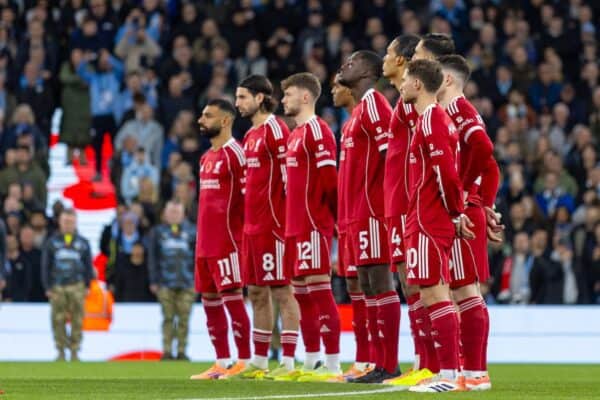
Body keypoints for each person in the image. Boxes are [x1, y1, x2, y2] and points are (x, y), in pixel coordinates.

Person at [399, 59, 469, 392]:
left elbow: (446, 174)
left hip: (429, 219)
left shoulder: (430, 121)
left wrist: (456, 213)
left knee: (434, 293)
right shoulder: (428, 120)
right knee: (434, 292)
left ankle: (449, 375)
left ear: (417, 84)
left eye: (405, 80)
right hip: (426, 217)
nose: (400, 85)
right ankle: (451, 372)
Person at [435, 54, 501, 391]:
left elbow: (483, 147)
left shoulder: (461, 110)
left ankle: (476, 373)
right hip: (458, 211)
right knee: (455, 290)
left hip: (461, 213)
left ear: (447, 80)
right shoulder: (446, 113)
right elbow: (492, 169)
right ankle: (466, 370)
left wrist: (463, 194)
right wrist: (485, 204)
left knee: (465, 290)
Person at [337, 50, 400, 383]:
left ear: (367, 71)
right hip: (358, 214)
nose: (344, 66)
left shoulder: (375, 104)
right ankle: (378, 362)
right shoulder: (358, 112)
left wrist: (387, 209)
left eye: (351, 62)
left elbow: (391, 156)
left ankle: (389, 364)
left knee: (379, 283)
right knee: (366, 286)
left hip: (374, 211)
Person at [380, 34, 439, 388]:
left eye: (390, 52)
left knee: (418, 283)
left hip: (409, 203)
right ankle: (423, 362)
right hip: (396, 204)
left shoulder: (415, 101)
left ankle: (430, 363)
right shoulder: (402, 101)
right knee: (409, 283)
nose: (385, 58)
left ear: (402, 61)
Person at [233, 75, 300, 379]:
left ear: (260, 98)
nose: (237, 104)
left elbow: (290, 179)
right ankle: (259, 361)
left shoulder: (276, 130)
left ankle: (287, 362)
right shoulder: (249, 136)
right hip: (252, 228)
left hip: (274, 226)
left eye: (243, 97)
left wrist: (286, 223)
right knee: (257, 293)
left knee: (283, 292)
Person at [280, 72, 341, 382]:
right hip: (294, 227)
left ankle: (332, 365)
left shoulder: (319, 132)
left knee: (319, 292)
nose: (283, 100)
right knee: (301, 295)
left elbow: (330, 183)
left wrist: (335, 223)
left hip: (314, 223)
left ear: (305, 97)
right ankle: (312, 361)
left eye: (288, 95)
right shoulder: (295, 135)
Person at [190, 99, 251, 380]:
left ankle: (244, 360)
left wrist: (242, 239)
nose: (201, 120)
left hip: (228, 243)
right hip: (204, 244)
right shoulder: (206, 158)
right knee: (209, 301)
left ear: (225, 121)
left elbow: (247, 200)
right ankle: (221, 361)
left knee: (233, 300)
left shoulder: (235, 154)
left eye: (208, 115)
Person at [331, 72, 375, 380]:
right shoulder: (348, 123)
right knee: (355, 286)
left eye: (337, 86)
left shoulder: (373, 109)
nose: (333, 90)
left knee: (375, 285)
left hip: (368, 214)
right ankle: (363, 359)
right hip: (347, 219)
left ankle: (377, 359)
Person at [41, 209, 94, 362]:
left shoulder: (83, 243)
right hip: (57, 287)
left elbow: (88, 266)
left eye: (71, 221)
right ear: (60, 222)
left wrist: (87, 285)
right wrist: (47, 287)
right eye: (65, 221)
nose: (68, 224)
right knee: (58, 319)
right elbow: (46, 266)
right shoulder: (51, 243)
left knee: (78, 319)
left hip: (77, 286)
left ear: (75, 223)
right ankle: (61, 351)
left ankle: (75, 351)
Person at [147, 201, 197, 360]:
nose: (174, 215)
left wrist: (198, 280)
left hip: (187, 283)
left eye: (177, 212)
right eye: (171, 212)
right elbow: (152, 258)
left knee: (184, 319)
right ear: (165, 214)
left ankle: (182, 351)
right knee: (168, 318)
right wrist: (154, 281)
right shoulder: (157, 232)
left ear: (183, 214)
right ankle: (167, 350)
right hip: (165, 284)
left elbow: (198, 258)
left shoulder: (192, 232)